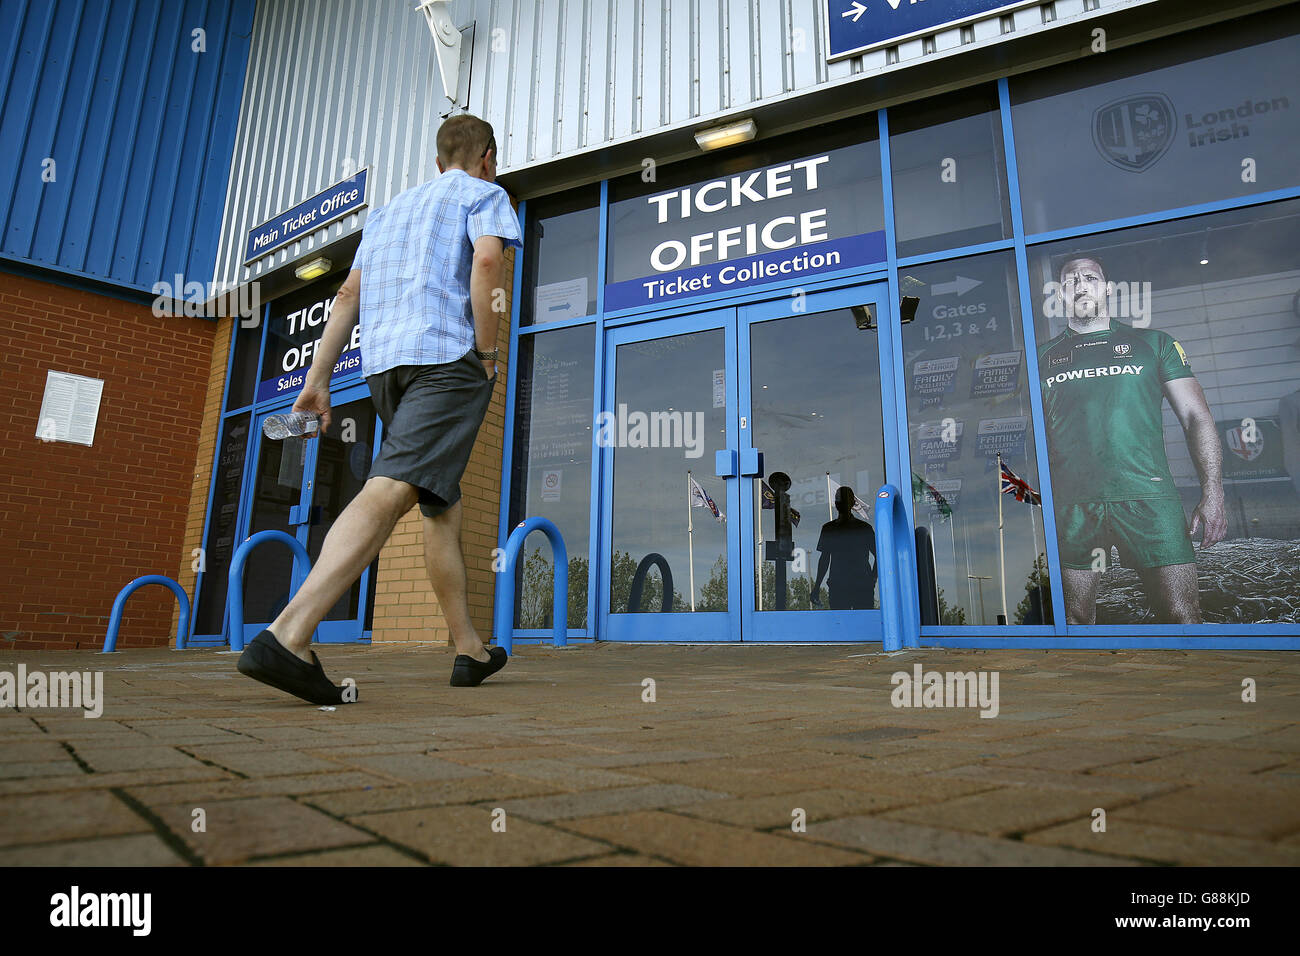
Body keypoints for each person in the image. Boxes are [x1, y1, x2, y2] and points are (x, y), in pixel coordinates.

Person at [237, 114, 521, 703]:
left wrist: (317, 382)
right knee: (392, 486)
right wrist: (488, 353)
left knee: (440, 499)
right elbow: (488, 265)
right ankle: (288, 634)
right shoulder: (485, 193)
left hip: (385, 369)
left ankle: (468, 648)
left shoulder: (388, 213)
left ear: (439, 160)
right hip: (447, 361)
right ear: (487, 157)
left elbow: (346, 297)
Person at [1038, 255, 1226, 624]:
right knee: (1074, 621)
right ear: (1060, 294)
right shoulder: (1040, 358)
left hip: (1150, 500)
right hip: (1074, 506)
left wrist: (1214, 490)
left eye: (1090, 277)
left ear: (1107, 289)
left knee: (1183, 616)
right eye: (1071, 279)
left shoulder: (1152, 343)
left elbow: (1195, 417)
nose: (1080, 283)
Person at [811, 486, 878, 610]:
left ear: (852, 503)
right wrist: (816, 587)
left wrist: (872, 579)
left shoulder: (863, 529)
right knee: (841, 624)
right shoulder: (829, 529)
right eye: (838, 499)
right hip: (841, 586)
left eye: (842, 499)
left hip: (860, 586)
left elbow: (879, 556)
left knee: (859, 625)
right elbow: (824, 560)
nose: (840, 502)